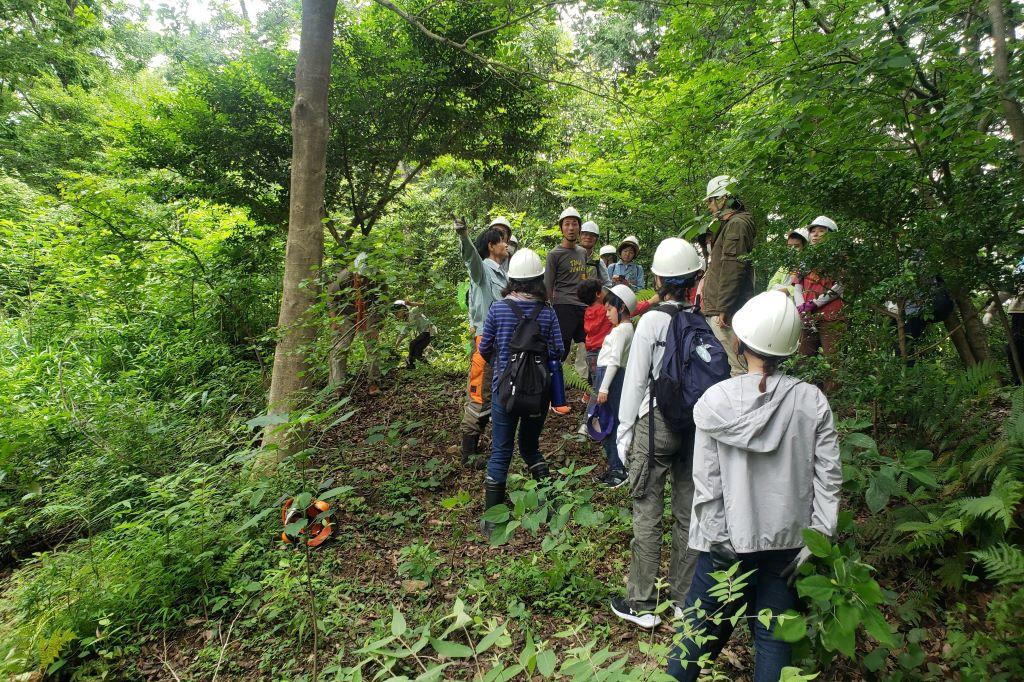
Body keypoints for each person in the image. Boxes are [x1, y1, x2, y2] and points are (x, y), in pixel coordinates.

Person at [666, 290, 842, 682]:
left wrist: (716, 541)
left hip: (724, 544)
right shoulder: (812, 401)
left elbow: (706, 483)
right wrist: (817, 538)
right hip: (789, 544)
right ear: (789, 351)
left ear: (741, 343)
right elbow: (828, 480)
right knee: (774, 638)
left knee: (695, 638)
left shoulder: (715, 401)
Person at [610, 237, 704, 629]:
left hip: (655, 424)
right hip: (696, 426)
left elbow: (634, 383)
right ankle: (684, 600)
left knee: (647, 510)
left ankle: (642, 602)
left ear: (659, 278)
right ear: (693, 279)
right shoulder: (703, 320)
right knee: (688, 513)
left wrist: (623, 431)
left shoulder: (651, 320)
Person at [478, 248, 564, 537]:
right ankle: (552, 507)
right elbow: (559, 351)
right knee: (530, 447)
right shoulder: (548, 312)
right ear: (539, 279)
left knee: (501, 450)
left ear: (511, 279)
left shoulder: (498, 309)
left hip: (504, 392)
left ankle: (493, 521)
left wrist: (504, 364)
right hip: (538, 394)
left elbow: (483, 348)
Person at [456, 219, 509, 468]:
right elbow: (471, 260)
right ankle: (468, 455)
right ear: (491, 245)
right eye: (502, 240)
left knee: (499, 391)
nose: (507, 244)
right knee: (479, 392)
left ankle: (495, 446)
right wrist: (463, 235)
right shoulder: (483, 271)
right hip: (485, 340)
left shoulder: (505, 273)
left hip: (505, 343)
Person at [700, 175, 757, 377]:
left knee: (739, 368)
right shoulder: (729, 224)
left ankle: (746, 408)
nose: (709, 206)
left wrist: (724, 307)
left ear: (723, 198)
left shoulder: (737, 224)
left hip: (727, 310)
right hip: (722, 307)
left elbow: (733, 268)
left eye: (710, 200)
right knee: (732, 366)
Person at [590, 284, 640, 488]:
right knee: (609, 421)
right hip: (612, 376)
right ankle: (614, 466)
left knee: (609, 422)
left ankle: (618, 469)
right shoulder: (626, 329)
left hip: (611, 377)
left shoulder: (621, 331)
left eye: (609, 309)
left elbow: (614, 361)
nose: (607, 314)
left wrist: (604, 388)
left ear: (621, 308)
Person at [326, 252, 385, 396]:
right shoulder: (343, 277)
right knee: (340, 347)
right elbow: (330, 298)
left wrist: (380, 319)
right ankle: (337, 386)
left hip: (369, 310)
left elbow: (383, 300)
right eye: (360, 275)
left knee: (372, 347)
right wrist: (334, 320)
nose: (362, 278)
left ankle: (374, 383)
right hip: (346, 312)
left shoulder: (378, 277)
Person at [544, 207, 591, 362]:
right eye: (567, 224)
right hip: (563, 306)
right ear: (561, 228)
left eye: (574, 224)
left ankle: (589, 383)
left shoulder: (582, 252)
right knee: (561, 350)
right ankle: (554, 384)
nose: (571, 228)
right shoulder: (554, 255)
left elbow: (583, 277)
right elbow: (548, 286)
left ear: (579, 228)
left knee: (589, 345)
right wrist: (547, 311)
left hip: (583, 306)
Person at [797, 216, 843, 359]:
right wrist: (802, 309)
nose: (815, 234)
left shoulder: (839, 257)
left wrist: (814, 304)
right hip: (807, 318)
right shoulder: (804, 258)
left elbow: (840, 286)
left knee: (833, 362)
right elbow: (797, 286)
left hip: (831, 317)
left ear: (831, 234)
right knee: (803, 361)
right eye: (813, 231)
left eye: (821, 231)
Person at [767, 228, 808, 300]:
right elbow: (771, 284)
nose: (792, 250)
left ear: (804, 247)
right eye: (789, 246)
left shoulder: (807, 266)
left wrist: (788, 290)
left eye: (796, 246)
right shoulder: (784, 266)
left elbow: (806, 287)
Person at [393, 300, 436, 368]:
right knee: (417, 352)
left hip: (430, 330)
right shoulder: (407, 321)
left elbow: (423, 305)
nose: (396, 315)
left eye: (397, 313)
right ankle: (429, 367)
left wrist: (410, 304)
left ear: (403, 309)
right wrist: (396, 345)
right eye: (394, 314)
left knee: (412, 344)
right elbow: (403, 334)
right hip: (425, 333)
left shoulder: (413, 311)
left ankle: (410, 365)